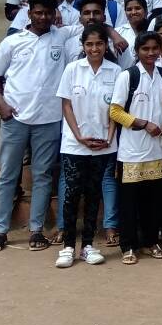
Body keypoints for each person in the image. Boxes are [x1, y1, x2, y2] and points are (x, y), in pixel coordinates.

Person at [0, 0, 73, 254]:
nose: (43, 17)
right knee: (7, 174)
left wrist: (113, 33)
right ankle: (1, 230)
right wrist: (1, 105)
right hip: (15, 118)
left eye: (48, 13)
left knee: (42, 175)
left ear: (55, 14)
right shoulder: (12, 42)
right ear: (29, 13)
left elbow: (95, 25)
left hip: (49, 119)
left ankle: (36, 230)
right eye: (38, 12)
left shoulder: (62, 37)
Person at [53, 23, 120, 269]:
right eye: (89, 44)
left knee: (93, 194)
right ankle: (68, 246)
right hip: (75, 144)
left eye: (99, 44)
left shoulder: (115, 71)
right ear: (82, 45)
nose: (94, 49)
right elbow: (66, 105)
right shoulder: (72, 69)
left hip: (103, 144)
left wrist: (109, 137)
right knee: (72, 194)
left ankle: (88, 245)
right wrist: (79, 136)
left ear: (106, 45)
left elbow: (116, 108)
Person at [109, 32, 162, 265]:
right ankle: (128, 246)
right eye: (146, 49)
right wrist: (144, 124)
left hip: (158, 150)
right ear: (137, 51)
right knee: (129, 202)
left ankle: (150, 241)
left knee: (154, 201)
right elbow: (115, 112)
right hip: (132, 151)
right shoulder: (128, 75)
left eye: (155, 48)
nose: (151, 53)